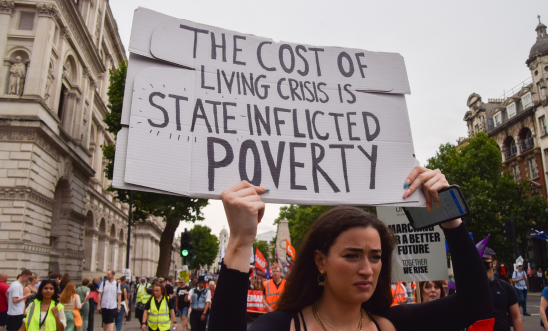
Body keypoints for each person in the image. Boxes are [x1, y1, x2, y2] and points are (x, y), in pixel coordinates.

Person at [208, 167, 494, 331]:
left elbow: (475, 303)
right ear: (320, 261)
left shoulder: (394, 323)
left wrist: (451, 218)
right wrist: (240, 242)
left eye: (376, 257)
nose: (367, 269)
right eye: (351, 255)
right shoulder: (280, 327)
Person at [470, 247, 522, 331]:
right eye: (480, 259)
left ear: (494, 263)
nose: (482, 261)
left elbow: (516, 316)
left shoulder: (505, 287)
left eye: (485, 259)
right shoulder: (469, 288)